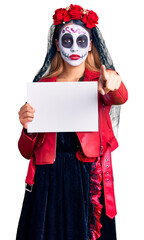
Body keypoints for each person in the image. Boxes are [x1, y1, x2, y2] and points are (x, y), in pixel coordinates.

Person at [16, 4, 128, 240]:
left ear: (90, 46)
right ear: (57, 44)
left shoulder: (100, 81)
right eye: (67, 41)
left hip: (87, 177)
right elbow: (26, 151)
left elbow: (120, 97)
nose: (74, 47)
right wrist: (27, 127)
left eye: (81, 41)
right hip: (48, 180)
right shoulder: (43, 87)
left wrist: (113, 83)